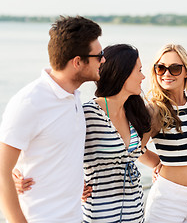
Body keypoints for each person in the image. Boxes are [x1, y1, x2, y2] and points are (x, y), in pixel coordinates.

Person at [0, 16, 104, 222]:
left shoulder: (74, 97)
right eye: (99, 55)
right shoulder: (29, 102)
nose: (103, 60)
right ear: (77, 62)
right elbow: (2, 172)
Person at [81, 44, 160, 222]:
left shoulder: (134, 114)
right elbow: (57, 150)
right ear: (122, 73)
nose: (143, 76)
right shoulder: (88, 114)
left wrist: (166, 165)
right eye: (138, 70)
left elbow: (137, 153)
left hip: (135, 211)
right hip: (100, 215)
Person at [144, 44, 187, 223]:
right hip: (169, 198)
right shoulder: (154, 108)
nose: (167, 74)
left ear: (186, 72)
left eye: (175, 68)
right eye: (161, 68)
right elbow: (134, 146)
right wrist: (157, 162)